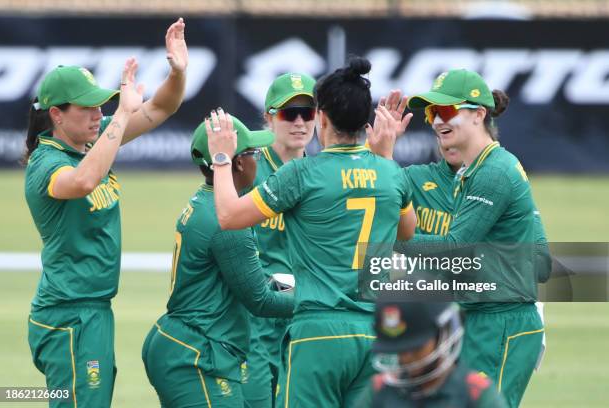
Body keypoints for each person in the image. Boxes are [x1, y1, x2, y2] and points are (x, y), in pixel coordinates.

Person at [206, 56, 417, 407]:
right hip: (376, 332)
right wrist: (383, 157)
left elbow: (228, 216)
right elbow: (406, 233)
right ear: (367, 123)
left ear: (322, 118)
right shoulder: (392, 173)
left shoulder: (303, 174)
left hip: (319, 331)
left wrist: (222, 158)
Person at [24, 18, 188, 408]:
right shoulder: (46, 163)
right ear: (57, 115)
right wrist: (120, 117)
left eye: (102, 105)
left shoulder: (89, 145)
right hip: (68, 318)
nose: (99, 113)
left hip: (92, 312)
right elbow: (82, 182)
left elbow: (162, 106)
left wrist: (177, 71)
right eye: (87, 107)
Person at [388, 69, 545, 408]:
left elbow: (452, 250)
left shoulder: (495, 171)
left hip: (502, 323)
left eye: (446, 111)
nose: (435, 121)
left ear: (478, 114)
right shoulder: (476, 170)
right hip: (485, 319)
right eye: (432, 113)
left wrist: (391, 247)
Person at [142, 113, 295, 408]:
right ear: (237, 163)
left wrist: (297, 286)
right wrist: (320, 298)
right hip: (196, 353)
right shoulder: (227, 224)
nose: (258, 161)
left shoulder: (208, 201)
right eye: (252, 153)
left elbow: (254, 280)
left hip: (186, 344)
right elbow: (260, 300)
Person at [243, 72, 316, 408]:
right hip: (256, 316)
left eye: (308, 112)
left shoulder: (321, 175)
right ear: (269, 118)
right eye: (290, 113)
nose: (300, 122)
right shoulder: (248, 171)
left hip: (306, 318)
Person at [359, 299, 507, 407]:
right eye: (399, 350)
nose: (405, 358)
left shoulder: (475, 392)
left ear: (442, 336)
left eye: (415, 348)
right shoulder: (379, 389)